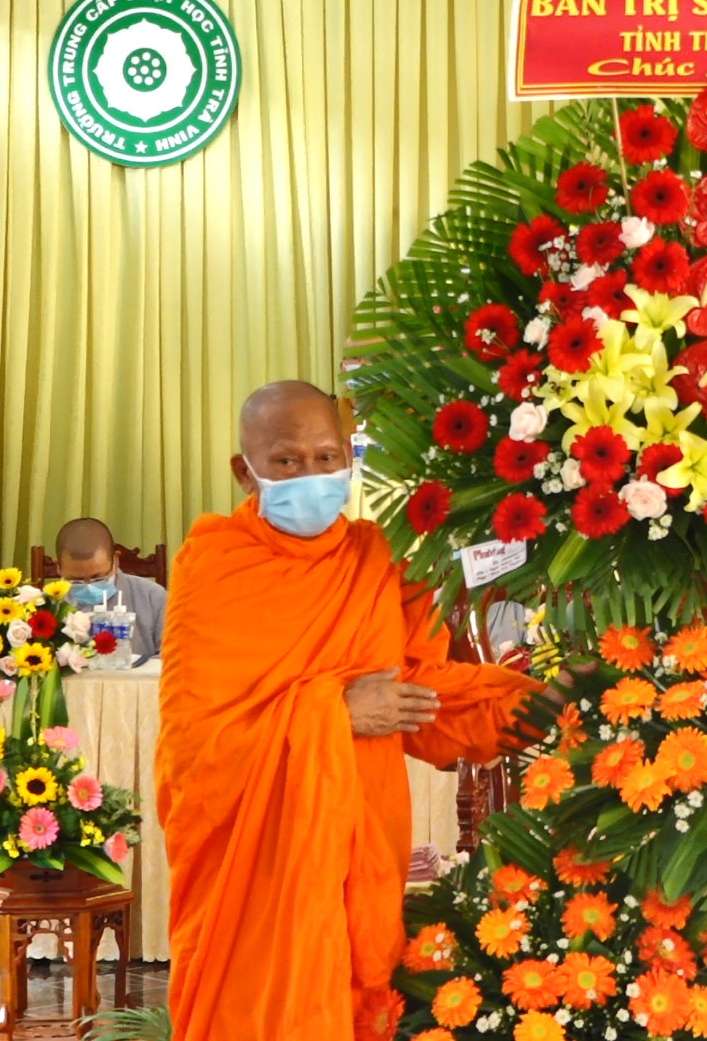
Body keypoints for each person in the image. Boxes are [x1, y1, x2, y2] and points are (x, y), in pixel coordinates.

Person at [157, 381, 543, 1040]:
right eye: (286, 461)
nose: (311, 474)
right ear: (245, 472)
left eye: (327, 457)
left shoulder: (375, 557)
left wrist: (537, 703)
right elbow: (195, 748)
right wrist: (334, 712)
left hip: (360, 838)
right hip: (254, 868)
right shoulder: (214, 566)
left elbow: (420, 691)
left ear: (347, 459)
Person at [53, 517, 167, 657]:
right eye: (77, 580)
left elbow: (174, 658)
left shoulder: (153, 597)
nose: (89, 587)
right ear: (59, 567)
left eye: (98, 578)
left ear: (116, 560)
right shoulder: (45, 607)